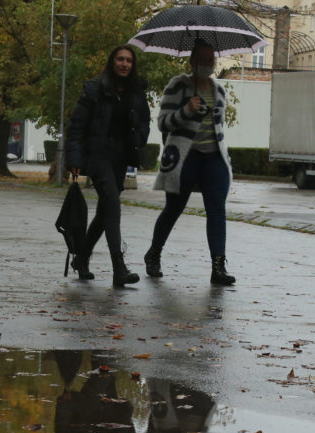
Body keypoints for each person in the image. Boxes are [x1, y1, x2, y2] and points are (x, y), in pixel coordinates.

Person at [145, 38, 236, 285]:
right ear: (192, 62)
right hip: (185, 157)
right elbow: (163, 123)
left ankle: (218, 267)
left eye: (211, 60)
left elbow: (218, 127)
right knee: (174, 208)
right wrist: (186, 110)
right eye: (203, 60)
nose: (208, 64)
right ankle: (153, 253)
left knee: (216, 209)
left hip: (213, 157)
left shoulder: (218, 90)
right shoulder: (178, 86)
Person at [66, 44, 150, 286]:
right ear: (112, 62)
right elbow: (77, 126)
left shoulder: (136, 91)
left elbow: (144, 119)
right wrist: (74, 159)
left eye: (129, 61)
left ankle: (81, 259)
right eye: (120, 59)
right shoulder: (95, 89)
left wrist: (140, 138)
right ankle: (119, 268)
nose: (125, 64)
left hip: (121, 157)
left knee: (105, 213)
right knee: (113, 205)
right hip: (99, 154)